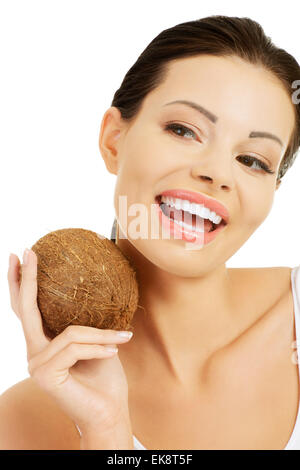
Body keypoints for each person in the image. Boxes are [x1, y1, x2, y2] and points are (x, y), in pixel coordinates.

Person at [2, 15, 300, 450]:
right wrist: (106, 429)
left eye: (253, 160)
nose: (216, 173)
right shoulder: (23, 422)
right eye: (183, 130)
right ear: (113, 140)